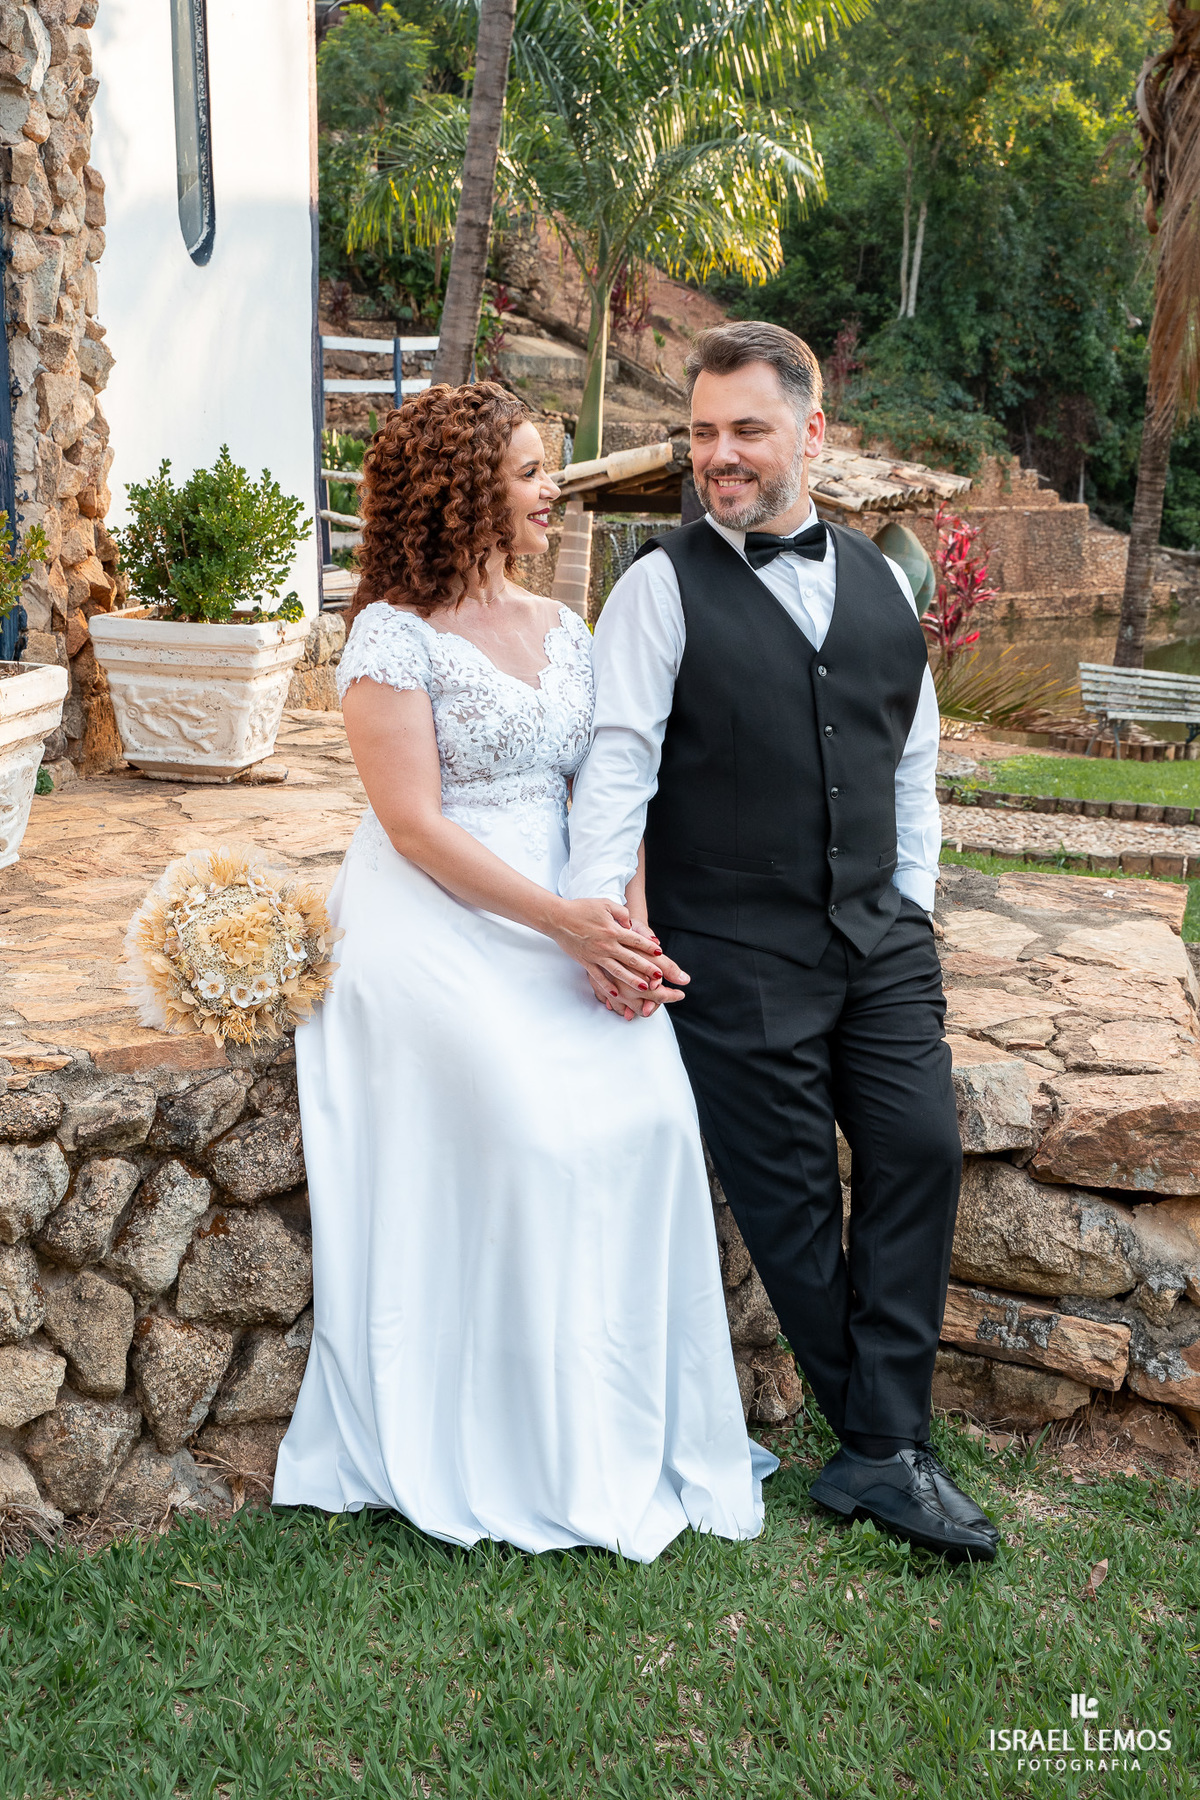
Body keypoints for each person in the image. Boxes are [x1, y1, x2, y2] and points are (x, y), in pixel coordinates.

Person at [273, 382, 776, 1560]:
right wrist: (562, 925)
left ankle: (626, 1427)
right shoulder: (392, 635)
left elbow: (610, 790)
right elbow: (415, 829)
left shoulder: (564, 626)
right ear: (466, 491)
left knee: (653, 1115)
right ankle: (518, 1439)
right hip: (438, 917)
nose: (557, 488)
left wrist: (630, 937)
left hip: (575, 902)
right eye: (534, 470)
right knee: (535, 1130)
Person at [565, 322, 999, 1562]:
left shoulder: (878, 578)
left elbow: (910, 761)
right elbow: (617, 770)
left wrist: (908, 899)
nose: (720, 457)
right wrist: (603, 922)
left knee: (920, 1148)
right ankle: (885, 1449)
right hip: (732, 948)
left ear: (813, 435)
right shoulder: (656, 586)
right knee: (794, 1199)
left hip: (881, 937)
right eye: (702, 433)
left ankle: (878, 1444)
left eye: (746, 431)